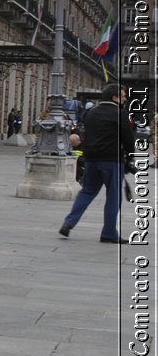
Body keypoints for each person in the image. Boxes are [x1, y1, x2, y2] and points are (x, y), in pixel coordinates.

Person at [59, 83, 134, 244]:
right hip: (112, 160)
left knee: (87, 191)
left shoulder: (91, 113)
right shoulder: (120, 114)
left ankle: (69, 222)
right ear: (115, 97)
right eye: (122, 96)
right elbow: (128, 139)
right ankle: (109, 233)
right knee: (113, 196)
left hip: (92, 159)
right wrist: (131, 157)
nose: (125, 98)